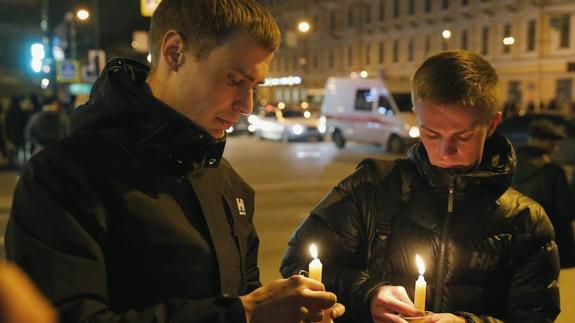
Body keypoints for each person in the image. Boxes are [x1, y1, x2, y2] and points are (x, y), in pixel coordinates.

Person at [5, 1, 344, 322]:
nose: (247, 105)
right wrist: (243, 315)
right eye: (234, 80)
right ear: (174, 52)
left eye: (255, 85)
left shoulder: (228, 183)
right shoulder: (62, 176)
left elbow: (243, 295)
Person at [280, 50, 560, 323]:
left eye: (462, 136)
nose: (445, 151)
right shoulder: (372, 188)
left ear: (492, 124)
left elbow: (535, 314)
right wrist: (368, 295)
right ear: (416, 115)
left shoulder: (525, 220)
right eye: (431, 133)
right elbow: (298, 263)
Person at [512, 119, 575, 268]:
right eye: (554, 143)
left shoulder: (510, 167)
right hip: (546, 245)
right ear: (547, 142)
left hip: (515, 243)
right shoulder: (553, 172)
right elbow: (567, 212)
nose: (556, 148)